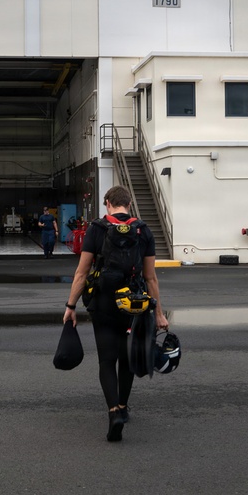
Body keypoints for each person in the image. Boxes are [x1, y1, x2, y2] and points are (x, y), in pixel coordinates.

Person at [63, 185, 169, 442]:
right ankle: (123, 405)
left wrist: (70, 306)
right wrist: (159, 313)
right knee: (126, 357)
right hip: (133, 304)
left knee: (106, 360)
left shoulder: (97, 229)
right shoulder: (143, 230)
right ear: (129, 204)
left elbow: (82, 272)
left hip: (104, 303)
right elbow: (150, 277)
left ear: (108, 203)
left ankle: (113, 413)